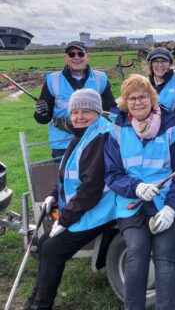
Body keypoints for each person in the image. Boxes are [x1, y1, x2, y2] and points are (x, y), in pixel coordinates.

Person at [105, 75, 175, 309]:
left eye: (143, 97)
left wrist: (170, 209)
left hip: (168, 205)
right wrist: (135, 187)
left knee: (165, 254)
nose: (138, 102)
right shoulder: (118, 129)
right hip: (132, 206)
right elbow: (112, 174)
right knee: (136, 252)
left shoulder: (172, 125)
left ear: (152, 98)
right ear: (125, 102)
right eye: (132, 98)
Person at [26, 89, 115, 309]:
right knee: (45, 244)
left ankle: (41, 304)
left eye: (86, 111)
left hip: (100, 209)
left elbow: (91, 189)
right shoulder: (83, 133)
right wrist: (52, 195)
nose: (79, 116)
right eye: (75, 111)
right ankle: (35, 299)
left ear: (97, 112)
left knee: (53, 249)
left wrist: (65, 219)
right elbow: (68, 173)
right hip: (85, 207)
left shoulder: (100, 137)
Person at [34, 41, 117, 158]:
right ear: (65, 57)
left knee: (95, 176)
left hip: (95, 140)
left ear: (87, 56)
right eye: (71, 54)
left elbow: (111, 109)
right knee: (66, 175)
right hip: (62, 145)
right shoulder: (52, 79)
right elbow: (43, 119)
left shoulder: (100, 78)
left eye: (80, 54)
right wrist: (41, 112)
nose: (76, 57)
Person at [146, 47, 175, 117]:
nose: (160, 65)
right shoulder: (143, 84)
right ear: (151, 64)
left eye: (164, 61)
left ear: (169, 64)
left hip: (171, 126)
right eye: (156, 61)